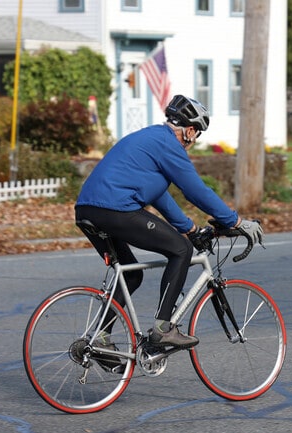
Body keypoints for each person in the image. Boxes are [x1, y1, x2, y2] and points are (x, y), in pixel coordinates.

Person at [75, 95, 263, 354]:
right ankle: (163, 329)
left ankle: (100, 340)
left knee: (130, 274)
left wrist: (190, 229)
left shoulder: (152, 138)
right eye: (196, 134)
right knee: (181, 250)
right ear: (189, 130)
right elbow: (196, 190)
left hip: (88, 210)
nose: (194, 141)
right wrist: (236, 221)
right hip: (115, 209)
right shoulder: (169, 145)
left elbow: (158, 196)